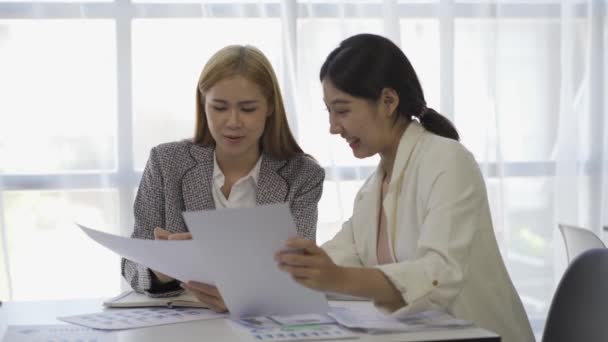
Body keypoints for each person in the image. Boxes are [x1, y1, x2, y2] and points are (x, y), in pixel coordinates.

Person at [275, 33, 534, 342]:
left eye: (342, 111)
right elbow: (338, 258)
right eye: (329, 112)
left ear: (388, 101)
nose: (333, 127)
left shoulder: (447, 161)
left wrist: (336, 277)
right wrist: (273, 280)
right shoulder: (373, 187)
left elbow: (439, 274)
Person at [122, 45, 325, 312]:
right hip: (183, 324)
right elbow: (131, 267)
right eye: (219, 108)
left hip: (263, 321)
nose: (233, 122)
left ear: (270, 107)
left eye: (248, 109)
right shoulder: (165, 162)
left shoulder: (303, 175)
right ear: (203, 103)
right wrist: (163, 267)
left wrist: (243, 293)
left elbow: (299, 271)